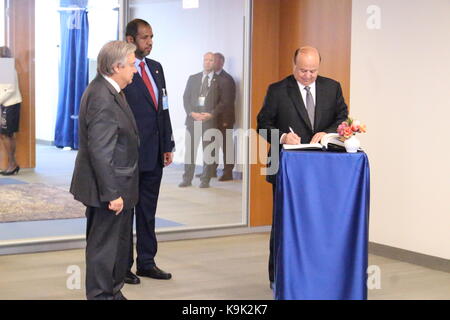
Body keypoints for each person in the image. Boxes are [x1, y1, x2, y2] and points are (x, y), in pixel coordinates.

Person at [257, 46, 349, 287]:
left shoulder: (332, 87)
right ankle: (278, 277)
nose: (307, 75)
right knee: (284, 225)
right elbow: (262, 123)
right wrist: (282, 138)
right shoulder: (277, 90)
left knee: (318, 222)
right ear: (293, 65)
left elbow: (342, 118)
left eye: (313, 70)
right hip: (286, 168)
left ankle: (316, 275)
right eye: (302, 70)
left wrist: (327, 132)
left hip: (321, 168)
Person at [70, 40, 139, 300]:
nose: (135, 70)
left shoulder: (112, 91)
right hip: (108, 187)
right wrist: (112, 193)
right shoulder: (101, 96)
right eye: (131, 65)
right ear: (115, 66)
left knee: (117, 246)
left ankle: (112, 291)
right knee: (104, 247)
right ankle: (101, 295)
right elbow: (100, 150)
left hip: (118, 182)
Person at [123, 19, 175, 284]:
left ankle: (146, 262)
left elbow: (163, 108)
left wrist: (168, 144)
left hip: (155, 154)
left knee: (147, 211)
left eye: (152, 37)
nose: (150, 42)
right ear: (131, 40)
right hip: (131, 156)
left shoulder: (156, 68)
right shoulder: (122, 71)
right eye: (145, 37)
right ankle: (123, 267)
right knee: (126, 213)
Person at [179, 52, 219, 189]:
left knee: (208, 151)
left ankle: (205, 180)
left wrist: (211, 114)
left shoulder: (219, 81)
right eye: (206, 60)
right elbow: (185, 98)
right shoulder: (193, 78)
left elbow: (223, 102)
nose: (208, 62)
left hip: (209, 121)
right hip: (193, 120)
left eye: (211, 60)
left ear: (215, 63)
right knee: (190, 150)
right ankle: (187, 178)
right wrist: (192, 113)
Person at [212, 52, 236, 181]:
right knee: (212, 145)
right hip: (212, 119)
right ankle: (211, 170)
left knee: (227, 146)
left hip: (224, 119)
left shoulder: (227, 79)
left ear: (221, 62)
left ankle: (228, 172)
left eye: (214, 61)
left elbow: (226, 102)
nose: (211, 63)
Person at [0, 46, 22, 175]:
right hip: (6, 104)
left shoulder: (6, 67)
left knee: (7, 134)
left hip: (10, 105)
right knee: (6, 134)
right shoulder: (4, 67)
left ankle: (12, 164)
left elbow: (10, 90)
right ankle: (12, 163)